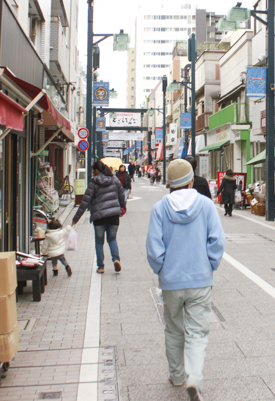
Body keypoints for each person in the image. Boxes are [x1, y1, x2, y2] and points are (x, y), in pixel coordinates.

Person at [145, 159, 225, 401]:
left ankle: (177, 375)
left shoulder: (159, 208)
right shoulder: (206, 205)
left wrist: (162, 269)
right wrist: (210, 265)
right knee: (198, 331)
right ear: (191, 181)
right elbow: (217, 241)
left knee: (173, 329)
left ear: (170, 183)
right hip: (200, 279)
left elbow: (153, 248)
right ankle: (194, 378)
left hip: (171, 281)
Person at [73, 161, 126, 274]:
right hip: (113, 216)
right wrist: (123, 209)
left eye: (93, 170)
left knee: (99, 242)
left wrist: (75, 219)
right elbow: (122, 196)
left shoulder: (94, 182)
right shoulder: (115, 180)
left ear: (97, 170)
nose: (93, 173)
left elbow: (85, 202)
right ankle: (116, 259)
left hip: (99, 217)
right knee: (112, 239)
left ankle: (101, 267)